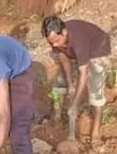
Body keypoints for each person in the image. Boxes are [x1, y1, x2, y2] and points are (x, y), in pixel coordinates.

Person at [42, 15, 111, 144]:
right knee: (59, 85)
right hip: (74, 53)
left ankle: (95, 132)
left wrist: (75, 104)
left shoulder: (79, 41)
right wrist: (69, 83)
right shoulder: (54, 39)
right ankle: (56, 120)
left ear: (64, 32)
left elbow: (83, 73)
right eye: (51, 42)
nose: (54, 44)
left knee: (96, 91)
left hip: (98, 49)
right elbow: (63, 58)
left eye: (56, 41)